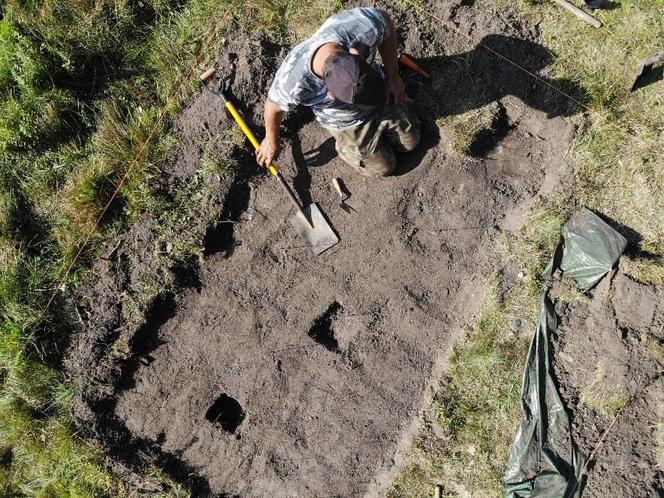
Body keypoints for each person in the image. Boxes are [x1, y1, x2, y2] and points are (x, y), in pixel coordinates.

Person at [256, 7, 421, 177]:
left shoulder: (362, 28)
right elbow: (273, 106)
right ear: (331, 95)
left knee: (411, 143)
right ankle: (347, 148)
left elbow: (385, 24)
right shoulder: (293, 83)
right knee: (385, 167)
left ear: (356, 53)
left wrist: (392, 77)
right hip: (347, 121)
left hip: (379, 92)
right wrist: (271, 139)